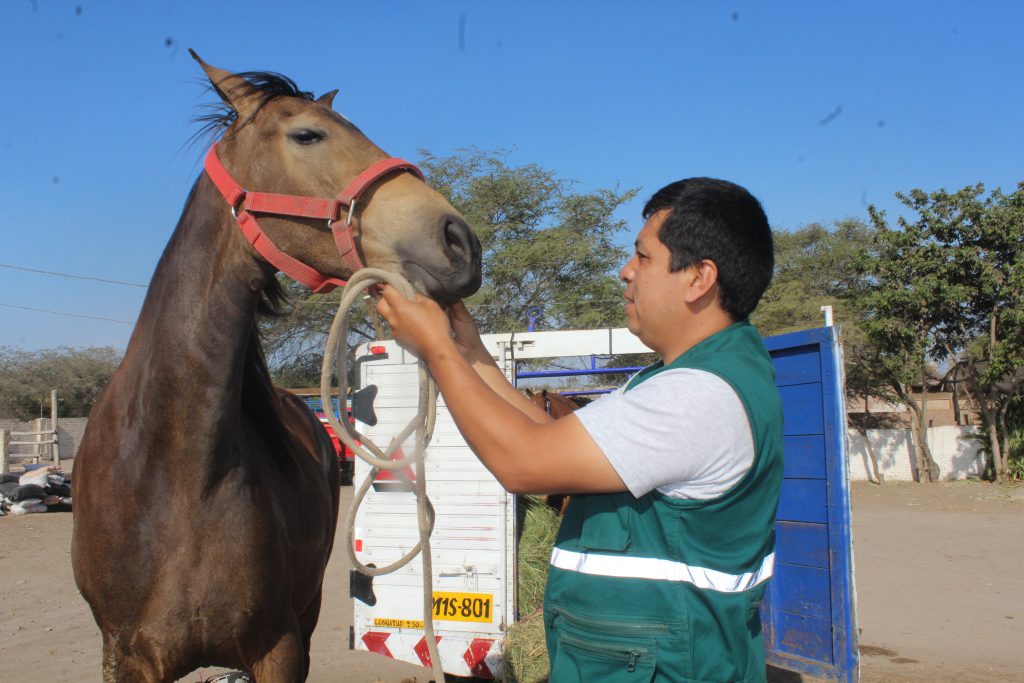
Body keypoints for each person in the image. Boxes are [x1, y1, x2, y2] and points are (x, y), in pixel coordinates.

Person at [376, 177, 783, 683]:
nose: (625, 272)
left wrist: (436, 350)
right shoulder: (683, 379)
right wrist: (468, 350)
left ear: (699, 279)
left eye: (643, 257)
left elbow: (525, 464)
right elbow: (547, 442)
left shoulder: (698, 397)